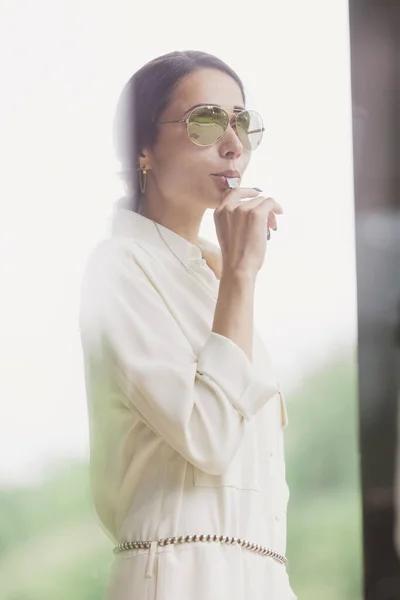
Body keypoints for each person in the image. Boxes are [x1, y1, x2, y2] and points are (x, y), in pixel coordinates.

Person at [79, 49, 298, 600]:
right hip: (182, 576)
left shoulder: (210, 272)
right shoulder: (120, 266)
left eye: (242, 122)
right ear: (143, 150)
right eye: (205, 121)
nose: (233, 143)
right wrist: (242, 274)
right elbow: (208, 434)